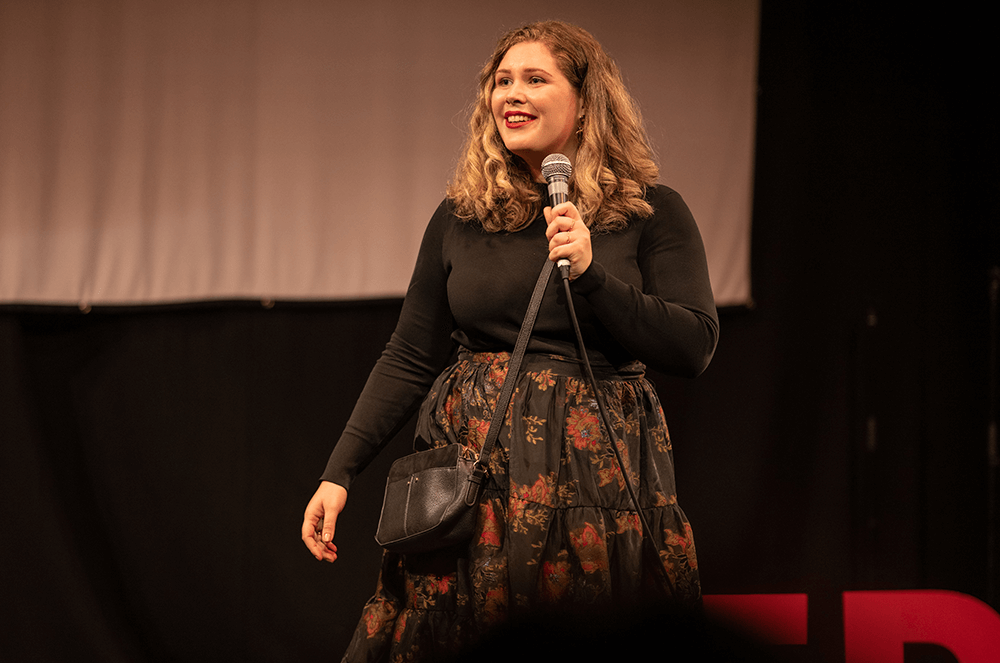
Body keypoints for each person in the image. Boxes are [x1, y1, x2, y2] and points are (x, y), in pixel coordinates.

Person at [301, 20, 719, 661]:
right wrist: (340, 471)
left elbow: (692, 345)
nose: (511, 95)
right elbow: (411, 353)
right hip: (479, 479)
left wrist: (591, 276)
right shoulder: (462, 214)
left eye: (534, 79)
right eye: (501, 81)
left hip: (595, 484)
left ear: (586, 103)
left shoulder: (648, 211)